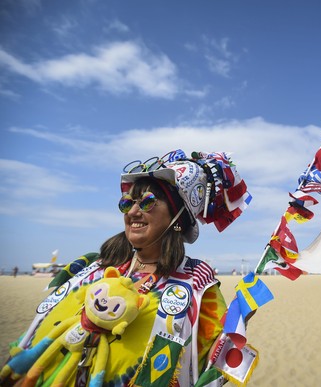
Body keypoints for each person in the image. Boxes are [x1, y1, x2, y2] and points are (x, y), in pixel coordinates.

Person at [0, 150, 251, 386]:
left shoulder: (197, 285)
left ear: (178, 218)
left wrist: (236, 330)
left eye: (148, 202)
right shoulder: (93, 268)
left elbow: (210, 366)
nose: (133, 212)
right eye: (127, 203)